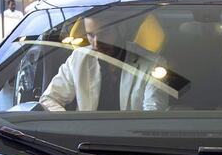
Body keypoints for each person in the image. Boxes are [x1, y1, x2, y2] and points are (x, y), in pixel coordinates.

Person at [39, 11, 168, 111]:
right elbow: (49, 99)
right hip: (83, 142)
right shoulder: (78, 58)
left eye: (104, 34)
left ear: (121, 30)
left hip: (130, 142)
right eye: (90, 35)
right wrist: (70, 125)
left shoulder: (153, 63)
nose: (96, 43)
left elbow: (153, 113)